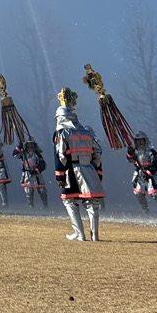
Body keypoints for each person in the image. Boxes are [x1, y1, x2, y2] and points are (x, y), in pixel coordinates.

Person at [53, 98, 106, 242]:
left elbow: (60, 155)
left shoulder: (62, 133)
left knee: (69, 201)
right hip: (89, 169)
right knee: (93, 203)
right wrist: (97, 172)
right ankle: (95, 236)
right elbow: (98, 152)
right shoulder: (87, 133)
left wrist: (60, 176)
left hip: (71, 171)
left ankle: (79, 234)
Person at [126, 131, 157, 213]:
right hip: (139, 174)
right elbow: (130, 160)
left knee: (156, 195)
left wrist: (149, 172)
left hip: (151, 175)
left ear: (145, 140)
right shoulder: (135, 151)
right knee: (138, 194)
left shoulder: (151, 151)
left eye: (141, 140)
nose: (139, 142)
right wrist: (129, 152)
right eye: (137, 140)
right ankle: (146, 212)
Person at [12, 139, 48, 208]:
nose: (30, 145)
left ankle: (45, 205)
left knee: (42, 191)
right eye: (29, 144)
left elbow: (42, 165)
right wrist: (19, 146)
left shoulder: (37, 154)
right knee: (28, 191)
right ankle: (30, 205)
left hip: (37, 175)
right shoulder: (23, 154)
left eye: (32, 144)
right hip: (27, 175)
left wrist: (36, 171)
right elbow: (15, 155)